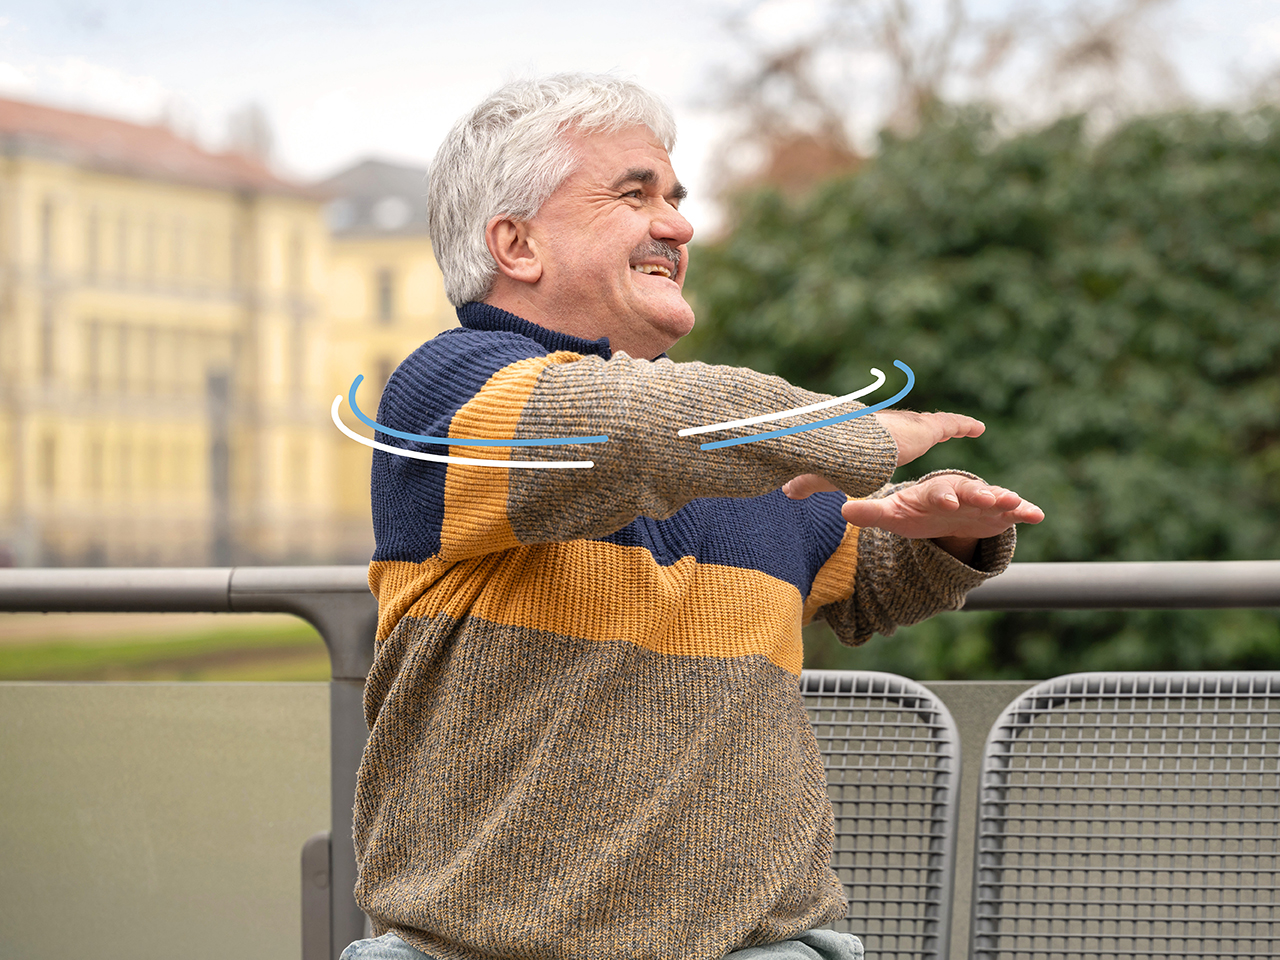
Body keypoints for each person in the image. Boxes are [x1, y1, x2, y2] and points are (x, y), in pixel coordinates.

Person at [343, 74, 1043, 960]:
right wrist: (848, 429)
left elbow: (868, 577)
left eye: (675, 197)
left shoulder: (734, 447)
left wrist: (953, 532)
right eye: (635, 194)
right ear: (515, 244)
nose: (679, 226)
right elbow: (631, 428)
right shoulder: (446, 397)